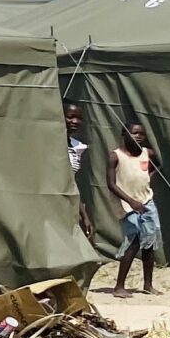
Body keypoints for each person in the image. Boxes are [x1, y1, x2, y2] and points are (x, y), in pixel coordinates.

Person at [107, 119, 161, 297]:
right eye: (135, 133)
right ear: (124, 134)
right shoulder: (115, 156)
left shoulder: (147, 153)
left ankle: (148, 284)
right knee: (134, 240)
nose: (139, 136)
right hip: (126, 204)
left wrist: (147, 180)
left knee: (149, 242)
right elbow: (111, 184)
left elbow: (157, 165)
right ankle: (119, 286)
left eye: (142, 134)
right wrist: (131, 201)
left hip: (146, 201)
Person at [64, 102, 95, 248]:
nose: (75, 121)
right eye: (70, 117)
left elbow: (73, 185)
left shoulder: (77, 147)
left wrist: (84, 216)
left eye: (79, 118)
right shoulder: (49, 145)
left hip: (68, 206)